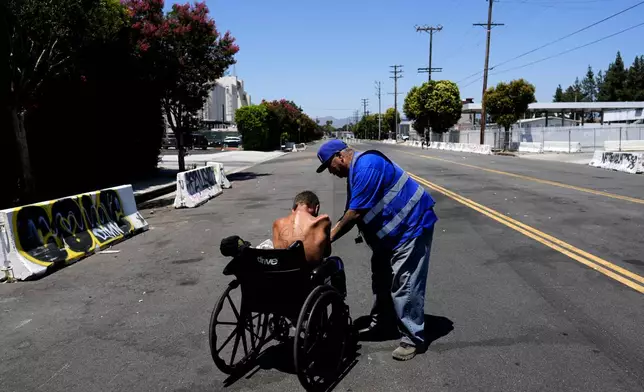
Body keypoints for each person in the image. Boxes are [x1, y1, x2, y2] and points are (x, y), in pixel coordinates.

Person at [315, 139, 437, 361]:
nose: (330, 173)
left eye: (329, 167)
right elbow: (351, 209)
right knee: (380, 276)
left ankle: (413, 339)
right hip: (390, 236)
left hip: (412, 226)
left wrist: (327, 239)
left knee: (405, 282)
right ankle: (383, 323)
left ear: (340, 157)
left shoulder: (367, 166)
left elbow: (354, 214)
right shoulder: (355, 173)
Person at [272, 191, 332, 265]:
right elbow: (327, 252)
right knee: (336, 261)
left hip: (284, 271)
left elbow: (277, 252)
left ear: (293, 208)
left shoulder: (277, 223)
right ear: (317, 208)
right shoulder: (323, 221)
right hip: (308, 272)